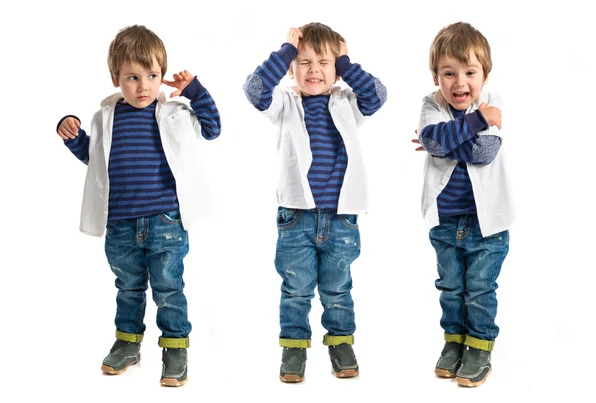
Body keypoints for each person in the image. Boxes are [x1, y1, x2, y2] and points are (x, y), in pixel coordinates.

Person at [56, 25, 221, 387]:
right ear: (116, 78)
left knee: (168, 287)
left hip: (165, 221)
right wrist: (74, 136)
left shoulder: (174, 111)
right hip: (119, 225)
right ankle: (128, 343)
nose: (143, 86)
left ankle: (175, 347)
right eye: (132, 77)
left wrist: (194, 90)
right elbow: (96, 160)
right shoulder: (105, 118)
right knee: (128, 287)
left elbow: (212, 128)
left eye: (152, 76)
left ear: (162, 77)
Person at [243, 22, 386, 383]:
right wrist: (286, 50)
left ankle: (340, 343)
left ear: (337, 67)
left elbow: (378, 96)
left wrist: (347, 62)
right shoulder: (284, 103)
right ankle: (294, 346)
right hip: (296, 217)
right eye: (304, 62)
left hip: (341, 218)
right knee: (295, 288)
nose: (314, 70)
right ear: (292, 67)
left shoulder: (346, 102)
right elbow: (255, 90)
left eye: (324, 62)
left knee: (338, 288)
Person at [413, 22, 514, 387]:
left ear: (484, 75)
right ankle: (454, 342)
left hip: (486, 225)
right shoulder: (431, 104)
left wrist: (442, 140)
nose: (459, 82)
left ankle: (480, 347)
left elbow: (484, 152)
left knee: (480, 289)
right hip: (444, 221)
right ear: (436, 75)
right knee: (451, 287)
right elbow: (435, 141)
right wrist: (474, 123)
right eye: (448, 73)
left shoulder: (494, 102)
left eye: (469, 72)